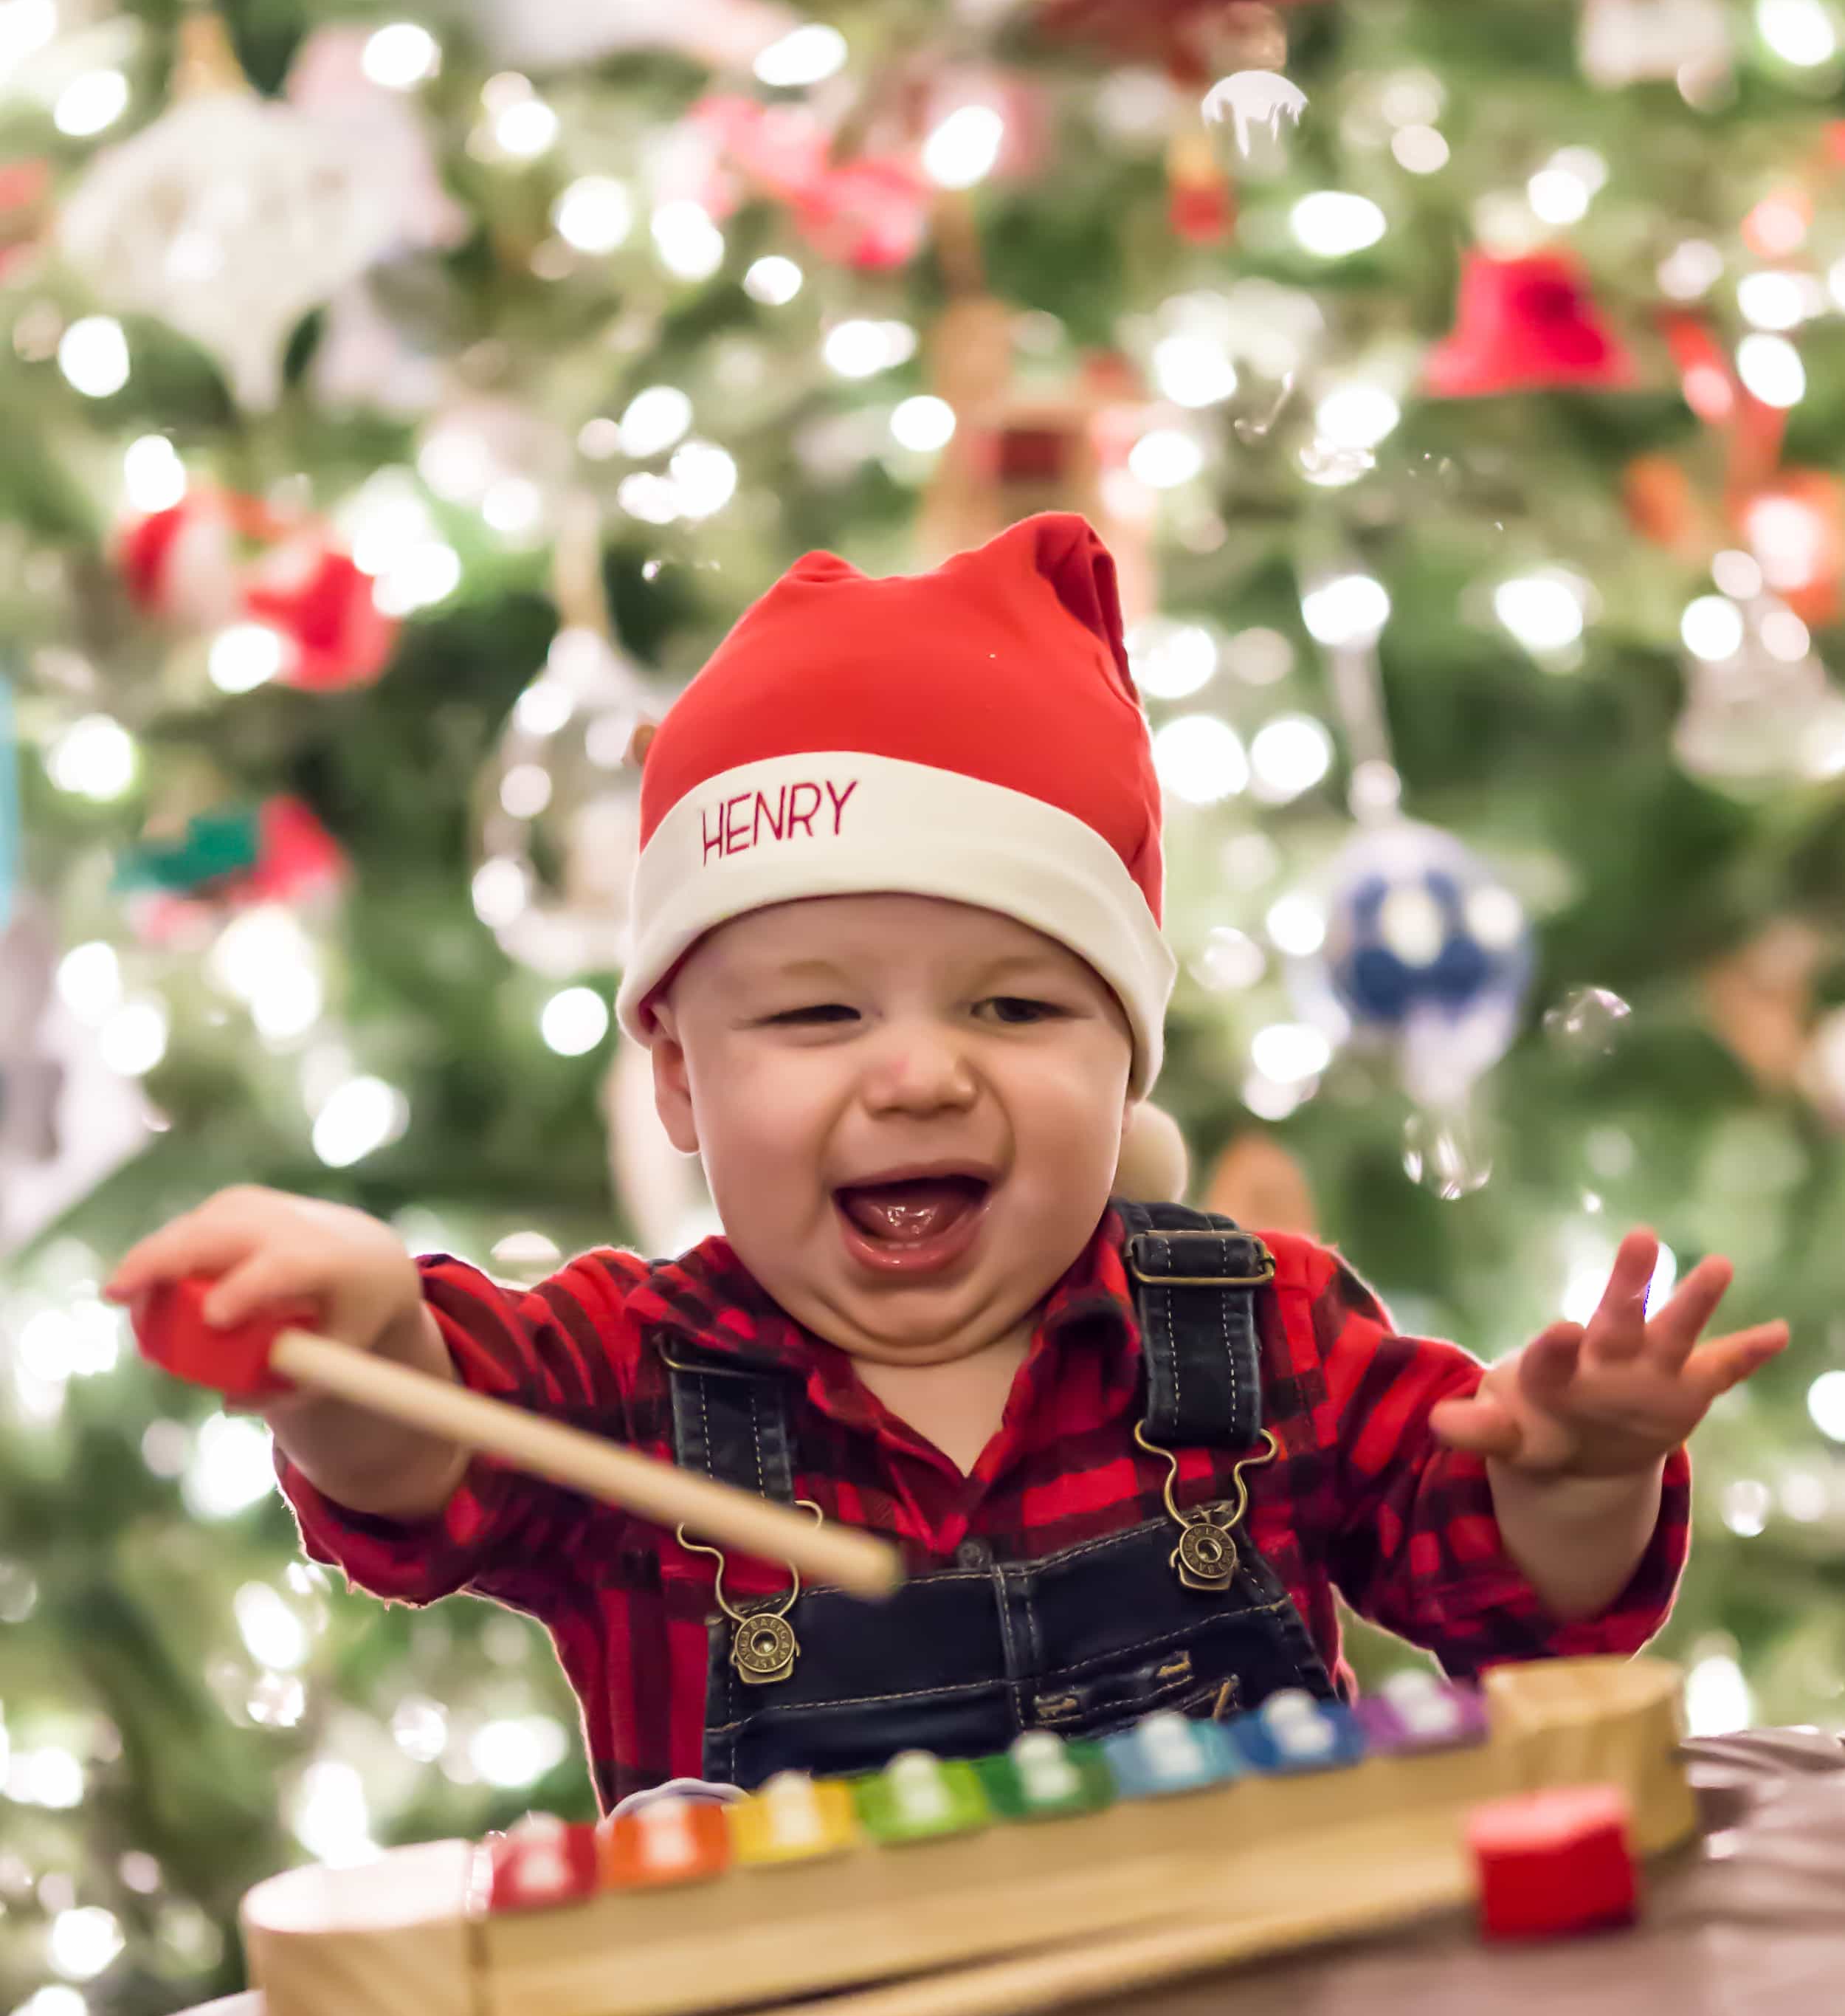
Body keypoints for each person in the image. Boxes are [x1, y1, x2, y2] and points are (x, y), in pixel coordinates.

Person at [106, 515, 1788, 1812]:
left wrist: (1574, 1477)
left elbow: (1525, 1604)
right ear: (680, 1079)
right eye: (820, 1012)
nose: (917, 1071)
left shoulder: (1259, 1330)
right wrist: (347, 1327)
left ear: (1121, 1053)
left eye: (1013, 1002)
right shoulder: (624, 1377)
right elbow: (418, 1456)